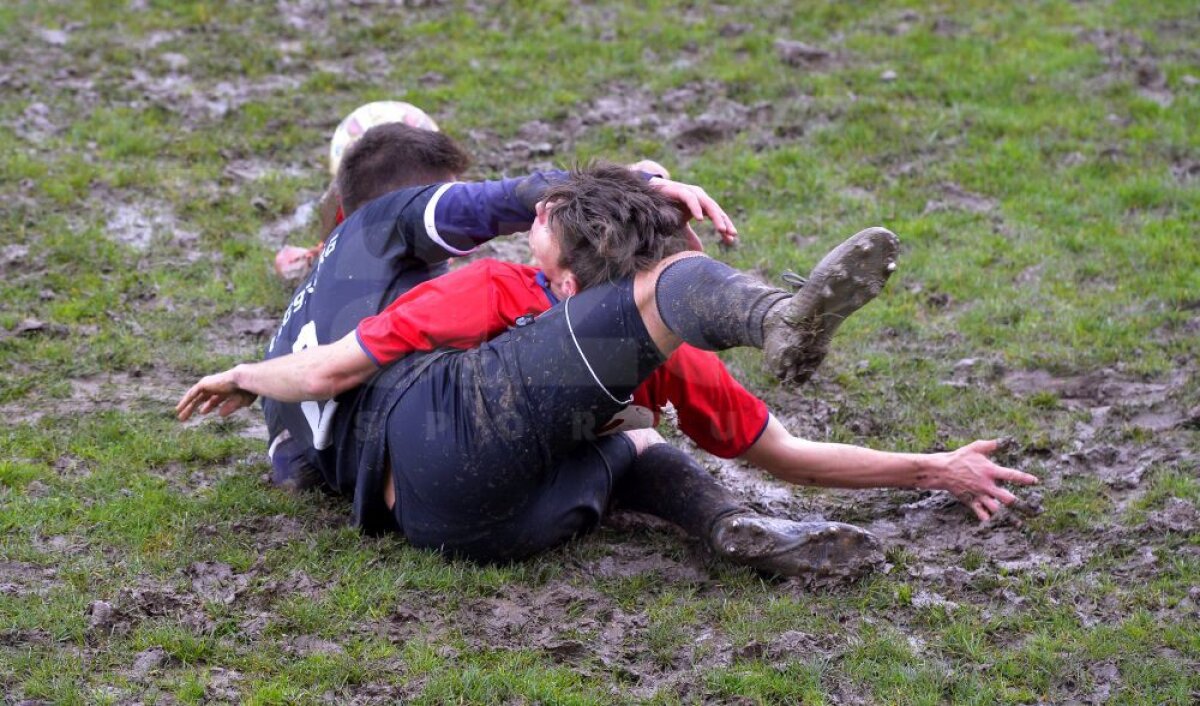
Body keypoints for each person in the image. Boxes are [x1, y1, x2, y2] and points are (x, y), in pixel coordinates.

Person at [179, 161, 1038, 579]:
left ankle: (728, 519)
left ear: (563, 275)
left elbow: (330, 372)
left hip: (453, 524)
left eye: (547, 239)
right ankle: (775, 318)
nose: (531, 232)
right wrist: (931, 466)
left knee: (632, 436)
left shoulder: (500, 286)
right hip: (498, 510)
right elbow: (786, 451)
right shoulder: (668, 355)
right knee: (637, 420)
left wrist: (247, 375)